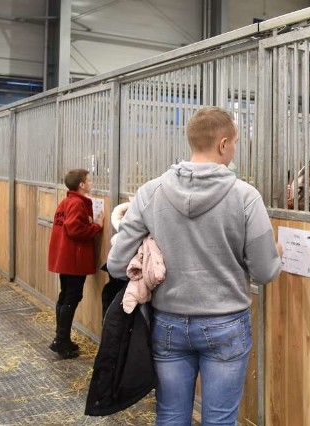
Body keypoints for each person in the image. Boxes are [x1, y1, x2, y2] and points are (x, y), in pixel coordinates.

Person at [107, 107, 283, 425]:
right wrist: (273, 253)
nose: (234, 149)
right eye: (236, 143)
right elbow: (265, 272)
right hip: (226, 324)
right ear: (223, 143)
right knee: (219, 419)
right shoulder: (246, 197)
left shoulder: (150, 193)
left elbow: (117, 264)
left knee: (171, 416)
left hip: (168, 324)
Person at [48, 169, 104, 359]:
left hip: (65, 257)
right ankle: (61, 342)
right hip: (73, 259)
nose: (90, 183)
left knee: (65, 297)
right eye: (88, 180)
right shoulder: (77, 203)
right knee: (71, 297)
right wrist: (96, 226)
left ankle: (60, 339)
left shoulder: (66, 202)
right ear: (81, 184)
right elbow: (74, 229)